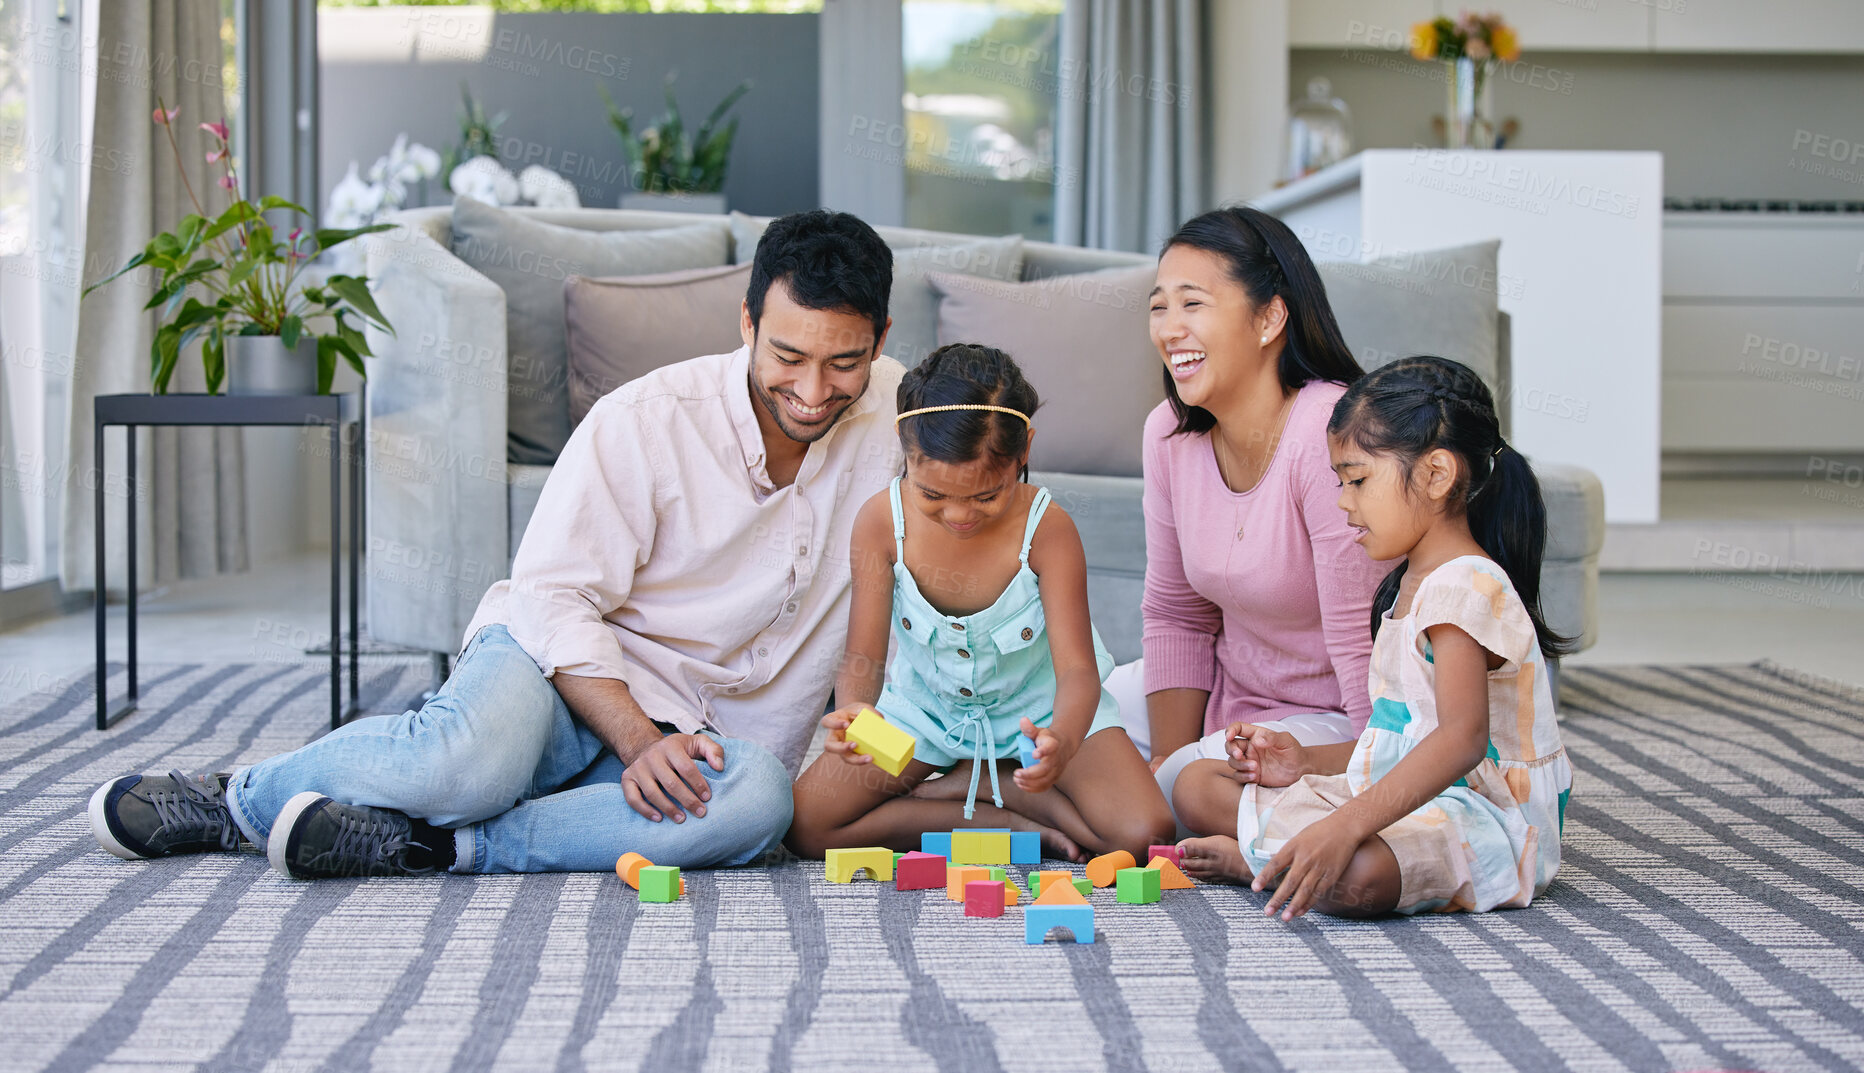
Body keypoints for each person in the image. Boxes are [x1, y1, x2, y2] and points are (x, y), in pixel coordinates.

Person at [88, 210, 907, 878]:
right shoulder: (647, 420)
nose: (811, 391)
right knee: (464, 768)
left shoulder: (906, 418)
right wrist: (637, 740)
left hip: (708, 729)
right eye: (788, 355)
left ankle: (435, 845)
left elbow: (997, 467)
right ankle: (237, 799)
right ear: (747, 322)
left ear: (880, 339)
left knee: (759, 803)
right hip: (560, 672)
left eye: (844, 364)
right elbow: (553, 595)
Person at [1173, 356, 1574, 920]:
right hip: (1404, 791)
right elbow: (1404, 737)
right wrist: (1305, 761)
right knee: (1197, 784)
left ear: (1436, 474)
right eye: (1339, 481)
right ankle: (1296, 858)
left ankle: (1264, 862)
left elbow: (1460, 741)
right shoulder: (1405, 585)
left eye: (1357, 479)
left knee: (1359, 873)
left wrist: (1343, 824)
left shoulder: (1465, 587)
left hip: (1481, 811)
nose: (1343, 501)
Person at [785, 344, 1174, 863]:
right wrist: (857, 709)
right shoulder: (881, 522)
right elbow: (864, 655)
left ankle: (1002, 783)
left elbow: (1078, 671)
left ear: (1025, 451)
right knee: (807, 826)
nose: (959, 515)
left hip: (1040, 714)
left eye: (986, 496)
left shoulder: (1048, 530)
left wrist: (1062, 736)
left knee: (1145, 833)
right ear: (905, 449)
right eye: (933, 495)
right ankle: (1001, 815)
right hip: (923, 713)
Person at [1110, 205, 1387, 832]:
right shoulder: (1168, 435)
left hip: (1334, 714)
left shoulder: (1329, 429)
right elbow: (1177, 613)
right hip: (1232, 694)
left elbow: (1362, 637)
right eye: (1159, 307)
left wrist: (1385, 780)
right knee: (1060, 723)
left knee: (1181, 787)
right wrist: (1165, 758)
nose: (1169, 329)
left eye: (1193, 304)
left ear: (1269, 318)